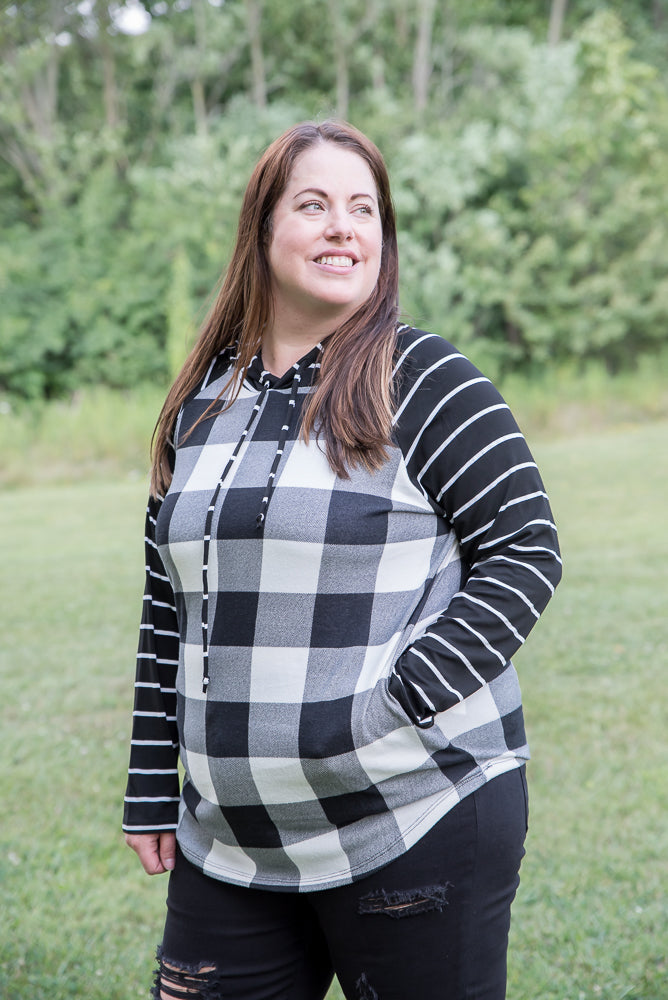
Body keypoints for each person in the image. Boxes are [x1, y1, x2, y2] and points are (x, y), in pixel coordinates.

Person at [123, 119, 562, 1000]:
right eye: (314, 204)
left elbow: (526, 549)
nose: (343, 227)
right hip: (231, 846)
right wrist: (147, 785)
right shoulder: (198, 407)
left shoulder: (429, 381)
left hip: (413, 814)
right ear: (262, 230)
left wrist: (395, 702)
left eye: (363, 209)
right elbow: (168, 605)